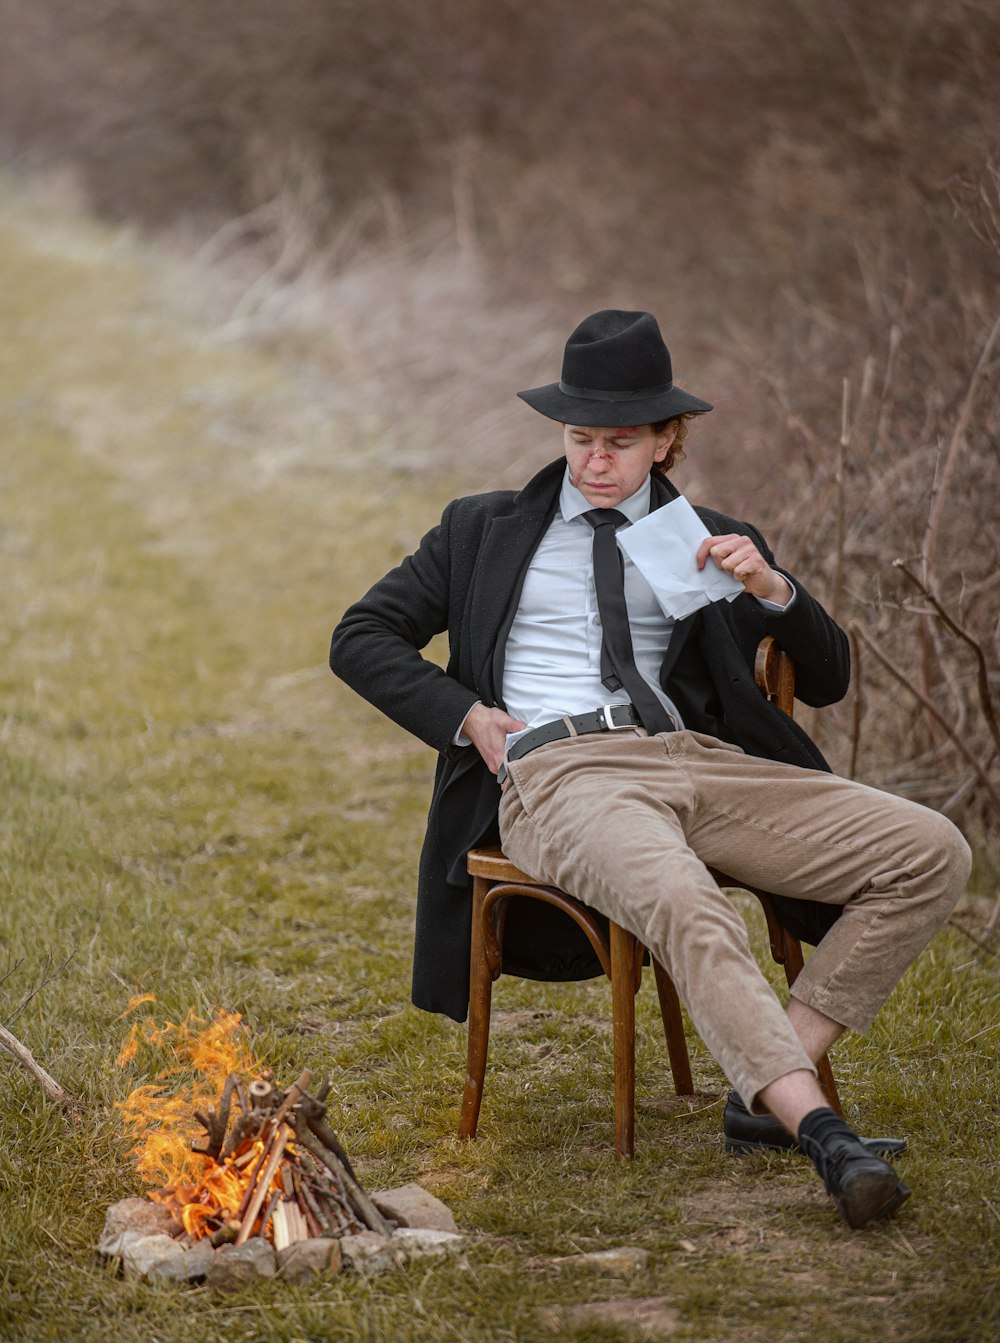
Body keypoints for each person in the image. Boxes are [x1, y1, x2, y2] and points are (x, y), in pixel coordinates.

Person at [330, 309, 971, 1229]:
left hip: (697, 762)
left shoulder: (707, 538)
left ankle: (767, 1085)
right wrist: (467, 718)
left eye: (620, 443)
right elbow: (360, 637)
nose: (596, 461)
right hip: (559, 774)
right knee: (685, 898)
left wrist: (775, 591)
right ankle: (823, 1131)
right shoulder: (482, 530)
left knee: (932, 849)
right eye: (580, 438)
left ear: (667, 440)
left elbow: (826, 677)